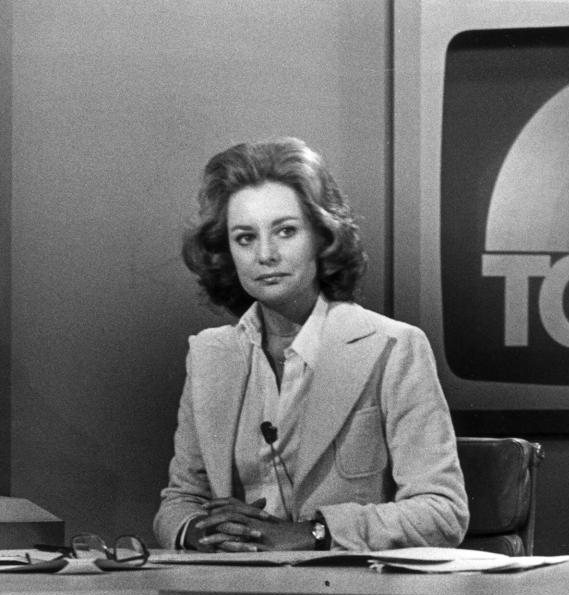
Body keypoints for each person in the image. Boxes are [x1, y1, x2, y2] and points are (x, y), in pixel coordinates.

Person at [153, 137, 468, 552]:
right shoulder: (210, 356)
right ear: (226, 251)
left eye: (285, 231)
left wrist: (314, 533)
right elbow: (179, 502)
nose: (266, 254)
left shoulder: (393, 348)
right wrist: (198, 530)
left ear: (322, 237)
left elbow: (442, 512)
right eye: (245, 238)